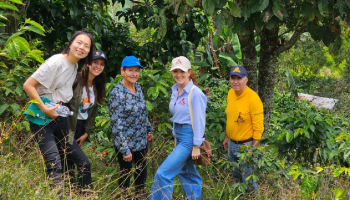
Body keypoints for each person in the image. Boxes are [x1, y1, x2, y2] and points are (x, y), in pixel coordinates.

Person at [23, 29, 94, 194]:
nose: (82, 47)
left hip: (59, 117)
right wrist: (44, 109)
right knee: (54, 164)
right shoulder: (56, 62)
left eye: (86, 46)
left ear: (89, 51)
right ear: (71, 43)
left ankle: (86, 196)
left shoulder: (74, 65)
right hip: (41, 118)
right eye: (79, 42)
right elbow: (28, 85)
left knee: (84, 162)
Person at [149, 56, 207, 200]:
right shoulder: (175, 90)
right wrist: (175, 136)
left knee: (163, 174)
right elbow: (176, 116)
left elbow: (199, 120)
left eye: (181, 71)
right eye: (175, 71)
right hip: (180, 136)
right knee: (188, 173)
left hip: (189, 137)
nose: (178, 74)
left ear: (189, 72)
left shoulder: (195, 93)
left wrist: (196, 145)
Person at [108, 55, 153, 199]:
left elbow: (143, 112)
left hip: (141, 140)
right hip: (126, 143)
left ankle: (140, 195)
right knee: (125, 174)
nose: (134, 74)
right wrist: (124, 149)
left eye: (137, 71)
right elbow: (116, 124)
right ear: (122, 71)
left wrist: (148, 129)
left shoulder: (138, 88)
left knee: (141, 172)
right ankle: (123, 197)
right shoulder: (117, 94)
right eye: (130, 70)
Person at [64, 50, 107, 191]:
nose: (98, 66)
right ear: (88, 63)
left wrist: (87, 132)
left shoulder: (97, 85)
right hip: (68, 125)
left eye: (101, 64)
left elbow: (92, 113)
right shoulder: (75, 80)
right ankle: (86, 194)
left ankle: (70, 192)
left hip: (81, 128)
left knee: (70, 161)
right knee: (84, 163)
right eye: (95, 62)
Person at [222, 65, 264, 193]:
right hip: (231, 143)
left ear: (246, 79)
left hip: (246, 145)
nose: (235, 81)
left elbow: (258, 128)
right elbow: (231, 117)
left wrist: (252, 151)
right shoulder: (230, 93)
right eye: (232, 78)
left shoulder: (253, 99)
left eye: (239, 78)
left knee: (248, 179)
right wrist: (227, 136)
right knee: (237, 177)